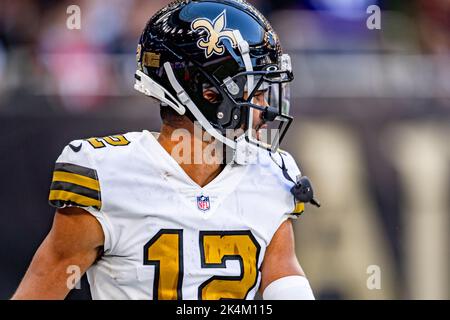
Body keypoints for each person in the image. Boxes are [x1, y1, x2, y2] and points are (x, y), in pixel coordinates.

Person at [13, 0, 317, 300]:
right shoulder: (106, 175)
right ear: (209, 94)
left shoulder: (270, 175)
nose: (266, 109)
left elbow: (285, 282)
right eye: (258, 92)